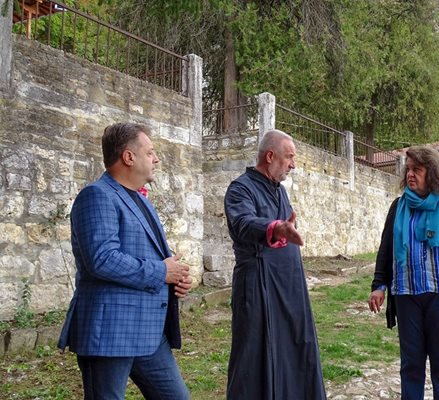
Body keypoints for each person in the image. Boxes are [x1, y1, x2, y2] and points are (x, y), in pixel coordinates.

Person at [57, 122, 193, 399]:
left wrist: (176, 278)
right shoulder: (97, 196)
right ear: (128, 157)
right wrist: (161, 272)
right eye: (150, 152)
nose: (156, 159)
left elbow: (156, 260)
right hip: (110, 333)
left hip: (150, 333)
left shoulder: (143, 201)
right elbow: (102, 259)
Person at [368, 146, 439, 400]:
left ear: (432, 173)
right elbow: (386, 248)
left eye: (417, 169)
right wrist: (379, 285)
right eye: (408, 169)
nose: (410, 174)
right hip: (406, 295)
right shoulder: (398, 207)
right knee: (410, 366)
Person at [224, 129, 326, 400]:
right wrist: (276, 228)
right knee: (255, 355)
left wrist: (285, 228)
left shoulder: (279, 191)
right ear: (270, 156)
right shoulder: (240, 188)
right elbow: (243, 222)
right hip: (259, 284)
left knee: (295, 347)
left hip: (289, 284)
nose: (293, 164)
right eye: (289, 157)